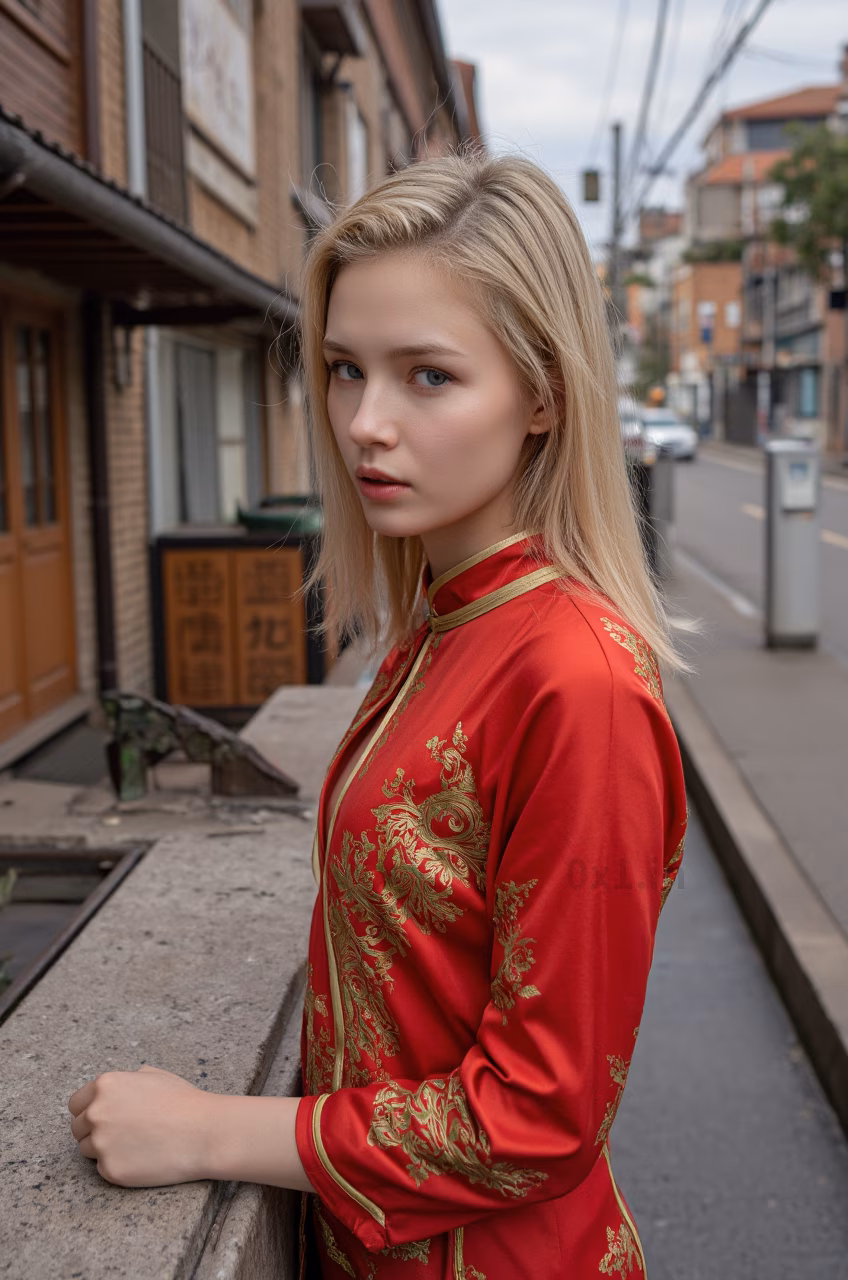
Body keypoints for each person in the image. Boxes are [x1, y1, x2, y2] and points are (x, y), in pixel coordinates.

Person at [69, 152, 689, 1279]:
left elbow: (541, 1119)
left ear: (543, 393)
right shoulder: (437, 626)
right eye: (345, 369)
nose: (364, 421)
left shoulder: (576, 682)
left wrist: (212, 1129)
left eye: (428, 376)